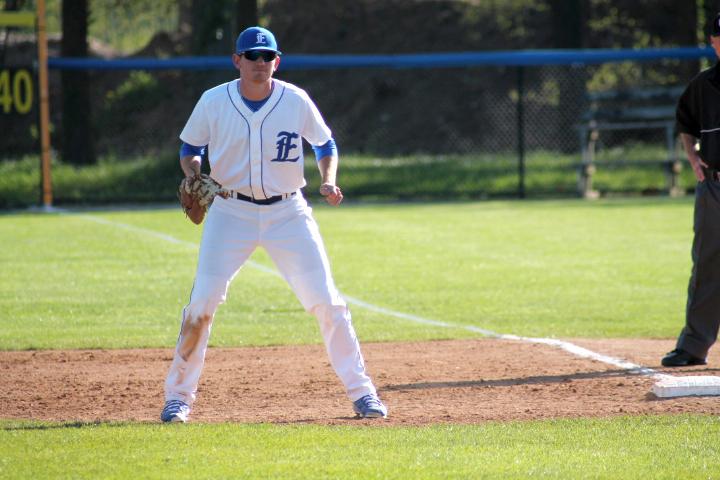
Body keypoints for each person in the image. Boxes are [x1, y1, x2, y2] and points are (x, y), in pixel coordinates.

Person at [160, 26, 387, 421]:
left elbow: (324, 143)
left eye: (267, 57)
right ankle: (178, 397)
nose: (260, 63)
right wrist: (194, 171)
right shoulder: (214, 101)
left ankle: (362, 392)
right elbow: (190, 147)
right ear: (237, 61)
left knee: (328, 302)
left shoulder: (295, 100)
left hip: (288, 213)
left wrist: (328, 179)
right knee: (202, 303)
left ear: (276, 62)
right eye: (252, 56)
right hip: (231, 212)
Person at [661, 13, 720, 367]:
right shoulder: (703, 86)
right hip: (713, 189)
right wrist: (692, 157)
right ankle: (694, 346)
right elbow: (685, 122)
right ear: (713, 43)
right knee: (707, 267)